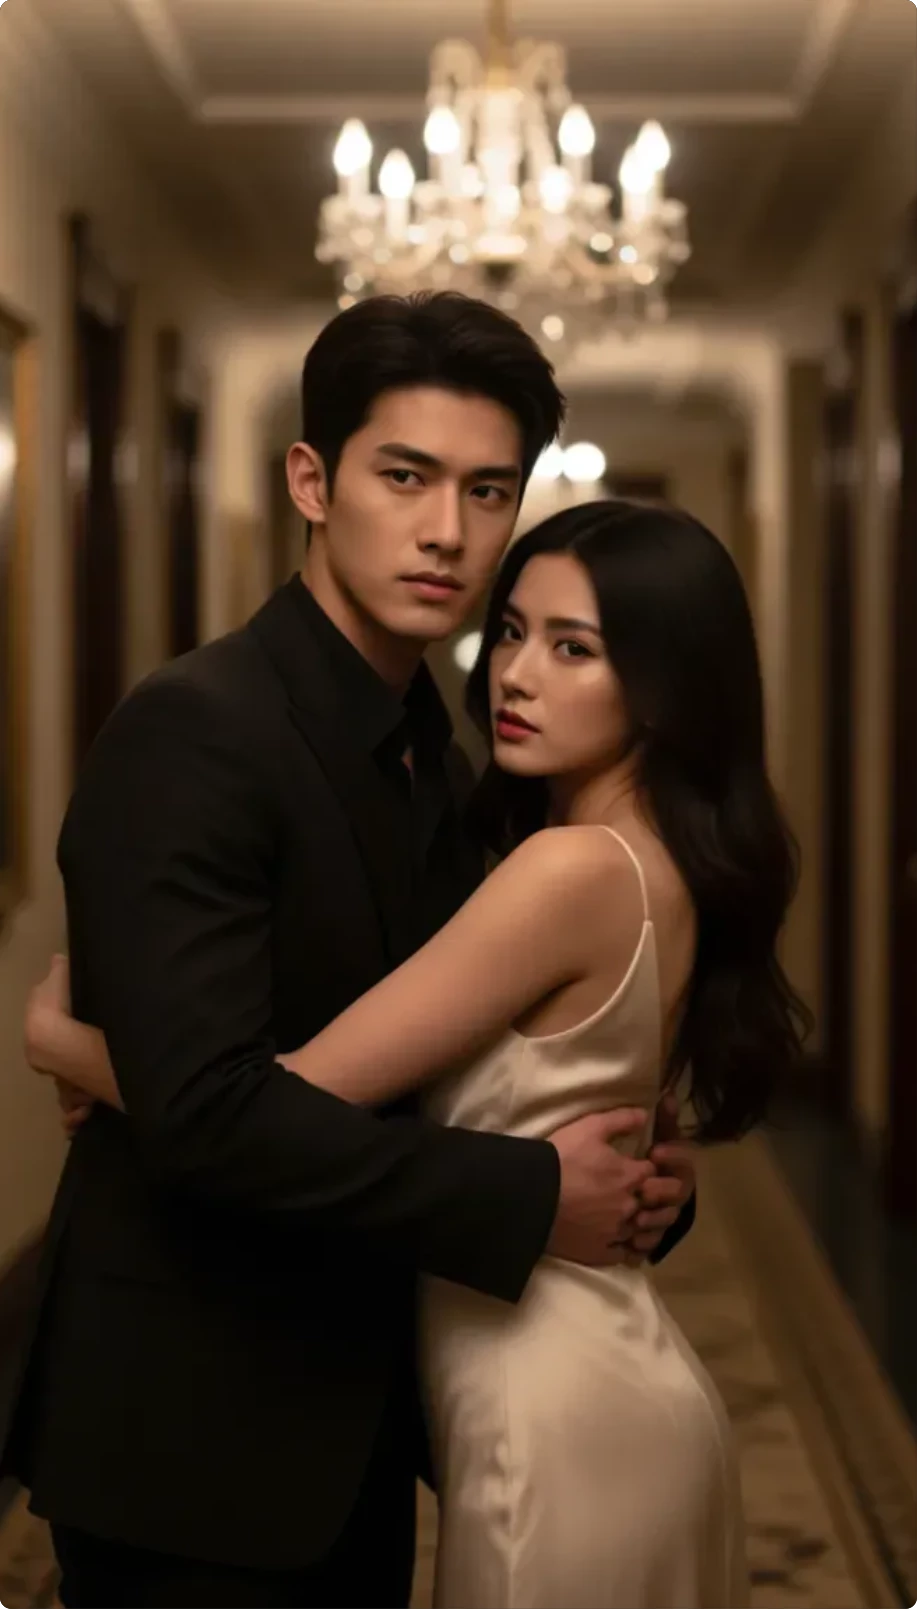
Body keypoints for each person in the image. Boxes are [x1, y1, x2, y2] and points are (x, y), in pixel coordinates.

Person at [2, 292, 697, 1609]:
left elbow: (454, 1053)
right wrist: (533, 1196)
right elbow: (210, 1118)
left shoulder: (448, 747)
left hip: (356, 1409)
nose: (449, 532)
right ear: (312, 483)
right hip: (191, 1424)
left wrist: (639, 1181)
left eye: (488, 491)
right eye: (405, 476)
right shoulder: (198, 730)